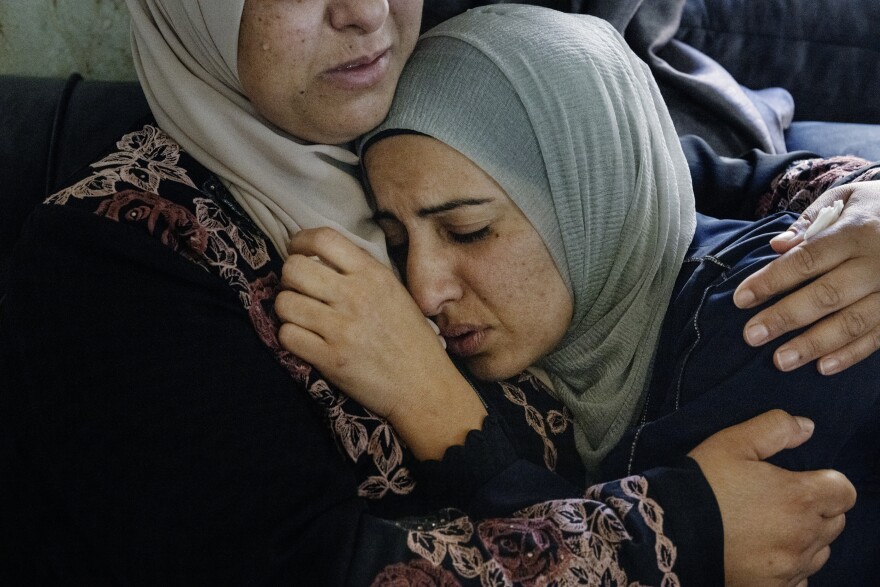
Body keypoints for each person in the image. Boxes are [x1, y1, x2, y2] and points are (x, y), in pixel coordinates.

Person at [0, 1, 872, 585]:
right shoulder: (117, 257)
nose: (368, 11)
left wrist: (858, 197)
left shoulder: (392, 92)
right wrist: (673, 531)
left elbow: (646, 173)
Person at [274, 5, 880, 585]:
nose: (424, 292)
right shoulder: (605, 322)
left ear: (592, 199)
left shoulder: (784, 321)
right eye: (398, 243)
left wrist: (439, 413)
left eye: (469, 231)